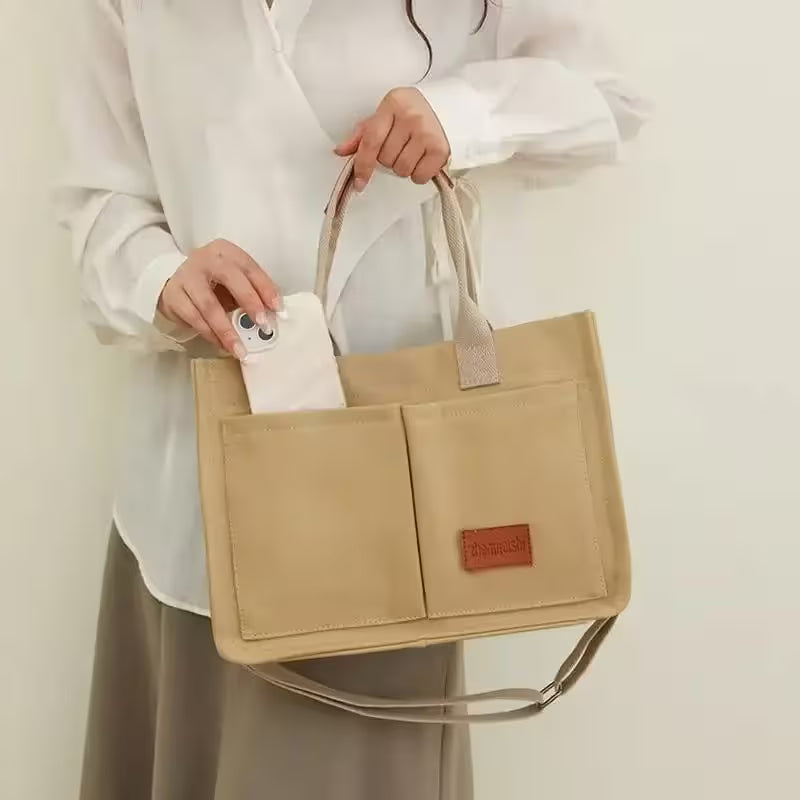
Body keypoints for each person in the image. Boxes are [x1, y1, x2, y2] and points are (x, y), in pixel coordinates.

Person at [57, 1, 647, 798]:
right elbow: (100, 199)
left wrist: (459, 113)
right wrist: (160, 278)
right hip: (190, 496)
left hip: (394, 514)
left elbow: (609, 96)